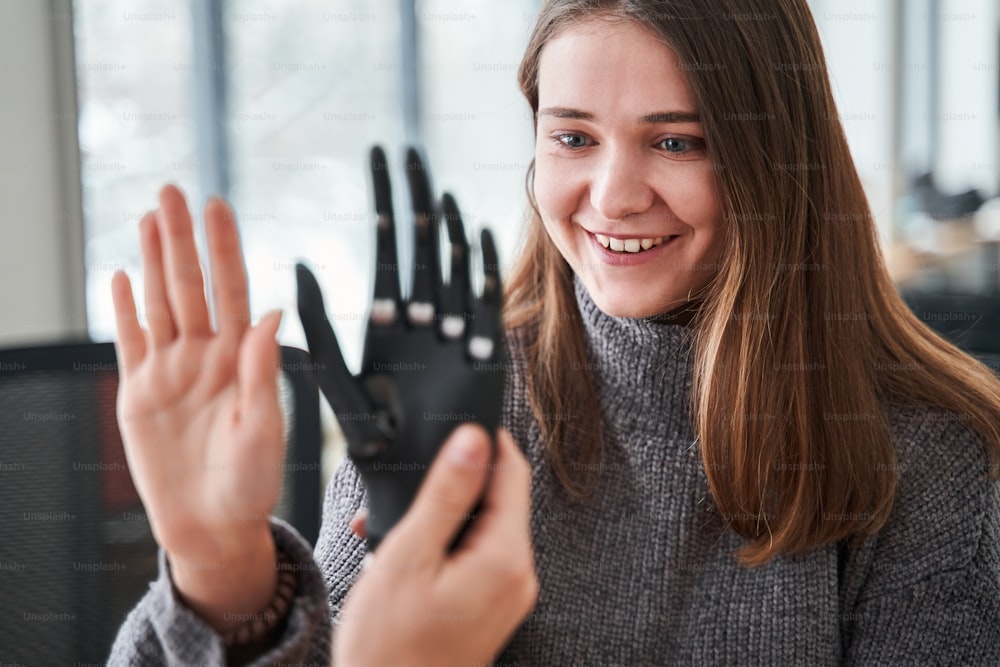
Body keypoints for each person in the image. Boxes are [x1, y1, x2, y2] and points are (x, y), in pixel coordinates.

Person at [111, 0, 1000, 664]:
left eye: (679, 142)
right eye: (573, 137)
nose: (612, 195)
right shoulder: (465, 394)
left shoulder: (928, 457)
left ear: (776, 156)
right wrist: (220, 574)